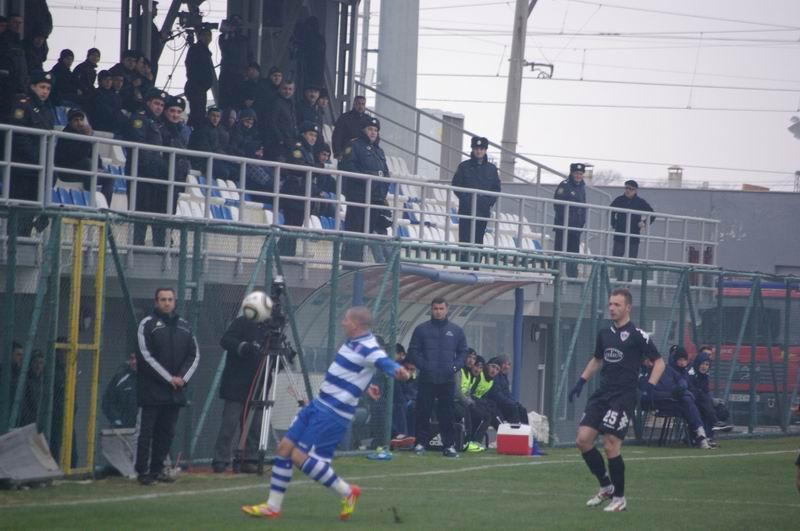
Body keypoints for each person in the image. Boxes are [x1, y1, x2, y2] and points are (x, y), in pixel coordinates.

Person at [241, 306, 410, 520]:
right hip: (318, 404)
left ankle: (347, 492)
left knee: (300, 457)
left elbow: (384, 362)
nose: (343, 322)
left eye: (346, 319)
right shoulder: (352, 342)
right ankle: (272, 507)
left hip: (333, 412)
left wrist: (399, 371)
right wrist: (366, 385)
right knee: (284, 448)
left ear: (356, 324)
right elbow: (356, 369)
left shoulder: (369, 347)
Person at [569, 287, 664, 512]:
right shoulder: (604, 333)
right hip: (603, 393)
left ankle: (620, 499)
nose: (612, 308)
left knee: (611, 443)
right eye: (610, 304)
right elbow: (597, 359)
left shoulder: (638, 335)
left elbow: (659, 362)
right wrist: (581, 381)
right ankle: (606, 487)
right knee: (583, 440)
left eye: (617, 305)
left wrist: (650, 386)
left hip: (623, 396)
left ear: (628, 307)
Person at [135, 287, 200, 485]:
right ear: (156, 302)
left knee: (166, 433)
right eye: (163, 299)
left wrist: (182, 378)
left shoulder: (185, 326)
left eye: (170, 299)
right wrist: (168, 378)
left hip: (175, 393)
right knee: (147, 432)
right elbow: (145, 356)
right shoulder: (147, 324)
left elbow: (194, 355)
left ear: (175, 302)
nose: (167, 303)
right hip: (152, 391)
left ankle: (157, 470)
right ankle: (143, 471)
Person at [213, 313, 273, 474]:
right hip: (236, 384)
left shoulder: (272, 330)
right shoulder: (242, 322)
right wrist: (244, 347)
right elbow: (226, 340)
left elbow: (275, 359)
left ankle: (249, 460)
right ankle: (221, 460)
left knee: (255, 426)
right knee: (229, 424)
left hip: (260, 386)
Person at [409, 297, 468, 458]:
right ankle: (420, 444)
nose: (438, 312)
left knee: (447, 414)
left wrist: (454, 367)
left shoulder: (456, 330)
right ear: (431, 309)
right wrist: (424, 366)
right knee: (423, 411)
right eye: (435, 308)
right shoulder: (421, 329)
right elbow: (413, 351)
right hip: (426, 378)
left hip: (447, 379)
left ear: (447, 310)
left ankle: (449, 445)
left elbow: (463, 352)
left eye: (441, 308)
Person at [7, 72, 55, 236]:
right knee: (20, 209)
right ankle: (15, 243)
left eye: (48, 88)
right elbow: (18, 135)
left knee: (33, 207)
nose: (45, 91)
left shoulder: (47, 110)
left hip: (39, 167)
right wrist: (36, 157)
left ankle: (25, 239)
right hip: (23, 166)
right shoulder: (23, 104)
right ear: (32, 87)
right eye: (42, 87)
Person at [339, 116, 392, 263]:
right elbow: (348, 167)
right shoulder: (354, 145)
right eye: (370, 129)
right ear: (363, 130)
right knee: (354, 233)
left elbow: (385, 173)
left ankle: (359, 265)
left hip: (375, 199)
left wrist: (381, 192)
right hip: (359, 197)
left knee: (367, 234)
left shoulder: (379, 151)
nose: (373, 132)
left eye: (375, 130)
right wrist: (366, 181)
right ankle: (349, 266)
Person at [122, 89, 169, 246]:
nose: (159, 107)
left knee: (156, 210)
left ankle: (158, 246)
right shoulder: (140, 118)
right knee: (139, 211)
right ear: (148, 103)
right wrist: (155, 165)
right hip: (140, 171)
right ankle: (136, 247)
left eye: (162, 105)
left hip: (154, 173)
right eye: (156, 103)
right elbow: (139, 145)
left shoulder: (157, 122)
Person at [639, 345, 711, 449]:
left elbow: (681, 380)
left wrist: (681, 387)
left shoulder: (667, 369)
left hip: (676, 402)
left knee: (688, 401)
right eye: (649, 361)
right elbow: (649, 393)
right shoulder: (644, 375)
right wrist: (672, 393)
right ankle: (700, 434)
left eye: (653, 360)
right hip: (661, 404)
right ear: (645, 362)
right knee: (689, 402)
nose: (651, 363)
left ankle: (700, 435)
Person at [452, 136, 501, 267]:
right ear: (473, 149)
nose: (479, 151)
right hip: (466, 211)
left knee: (478, 240)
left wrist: (488, 202)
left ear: (485, 150)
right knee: (465, 240)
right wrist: (466, 199)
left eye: (481, 149)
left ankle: (476, 267)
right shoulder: (464, 167)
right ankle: (464, 268)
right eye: (476, 148)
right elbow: (456, 185)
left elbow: (496, 189)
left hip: (482, 212)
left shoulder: (492, 169)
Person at [280, 122, 319, 256]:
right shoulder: (298, 148)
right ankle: (282, 254)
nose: (313, 138)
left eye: (315, 135)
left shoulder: (308, 150)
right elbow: (298, 167)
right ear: (303, 135)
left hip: (302, 193)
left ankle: (287, 254)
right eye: (310, 134)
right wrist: (315, 169)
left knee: (296, 227)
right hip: (294, 191)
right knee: (290, 225)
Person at [609, 180, 655, 280]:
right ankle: (619, 280)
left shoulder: (639, 202)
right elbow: (610, 211)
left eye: (631, 189)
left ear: (635, 190)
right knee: (616, 259)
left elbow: (652, 214)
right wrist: (614, 223)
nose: (628, 190)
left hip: (633, 235)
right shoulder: (619, 200)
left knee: (631, 261)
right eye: (627, 188)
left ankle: (628, 283)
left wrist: (644, 223)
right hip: (620, 234)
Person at [687, 346, 730, 444]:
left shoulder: (705, 375)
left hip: (702, 402)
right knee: (705, 407)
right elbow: (693, 391)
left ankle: (710, 436)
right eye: (702, 363)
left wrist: (713, 400)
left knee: (720, 408)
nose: (704, 366)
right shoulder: (690, 373)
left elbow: (705, 391)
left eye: (707, 364)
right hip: (691, 402)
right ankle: (713, 424)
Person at [553, 162, 588, 278]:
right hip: (563, 226)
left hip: (576, 227)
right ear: (572, 173)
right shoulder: (565, 185)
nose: (578, 176)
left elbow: (583, 205)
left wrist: (582, 221)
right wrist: (565, 220)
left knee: (573, 254)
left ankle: (572, 278)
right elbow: (558, 204)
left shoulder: (582, 187)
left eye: (580, 174)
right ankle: (555, 277)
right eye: (576, 173)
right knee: (559, 252)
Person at [218, 15, 252, 109]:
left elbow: (250, 55)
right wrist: (227, 32)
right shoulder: (224, 38)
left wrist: (248, 70)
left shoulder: (244, 40)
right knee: (226, 101)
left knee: (238, 101)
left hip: (239, 74)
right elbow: (225, 48)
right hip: (227, 74)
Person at [184, 28, 215, 128]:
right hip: (196, 88)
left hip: (200, 88)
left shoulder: (202, 50)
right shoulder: (197, 49)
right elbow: (191, 67)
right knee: (197, 114)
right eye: (204, 35)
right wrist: (200, 83)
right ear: (200, 37)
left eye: (209, 35)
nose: (207, 38)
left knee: (198, 113)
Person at [102, 352, 138, 428]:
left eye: (137, 359)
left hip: (145, 429)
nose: (134, 362)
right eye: (132, 359)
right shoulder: (120, 378)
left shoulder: (150, 380)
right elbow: (107, 401)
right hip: (122, 429)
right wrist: (117, 420)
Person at [266, 80, 298, 160]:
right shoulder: (276, 102)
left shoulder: (291, 103)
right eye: (285, 88)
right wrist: (280, 138)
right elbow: (271, 122)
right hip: (278, 144)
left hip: (290, 142)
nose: (287, 91)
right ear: (280, 88)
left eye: (290, 89)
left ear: (293, 91)